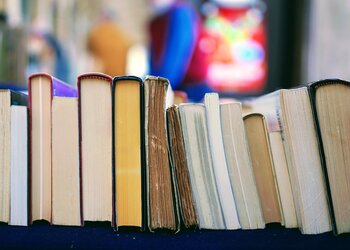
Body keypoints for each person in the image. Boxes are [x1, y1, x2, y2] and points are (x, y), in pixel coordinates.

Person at [149, 0, 211, 101]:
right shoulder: (157, 22)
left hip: (190, 91)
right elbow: (154, 66)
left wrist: (153, 92)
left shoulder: (180, 14)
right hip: (170, 87)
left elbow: (174, 63)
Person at [87, 10, 131, 77]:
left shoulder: (97, 33)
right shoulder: (121, 35)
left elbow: (89, 49)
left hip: (103, 77)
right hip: (120, 77)